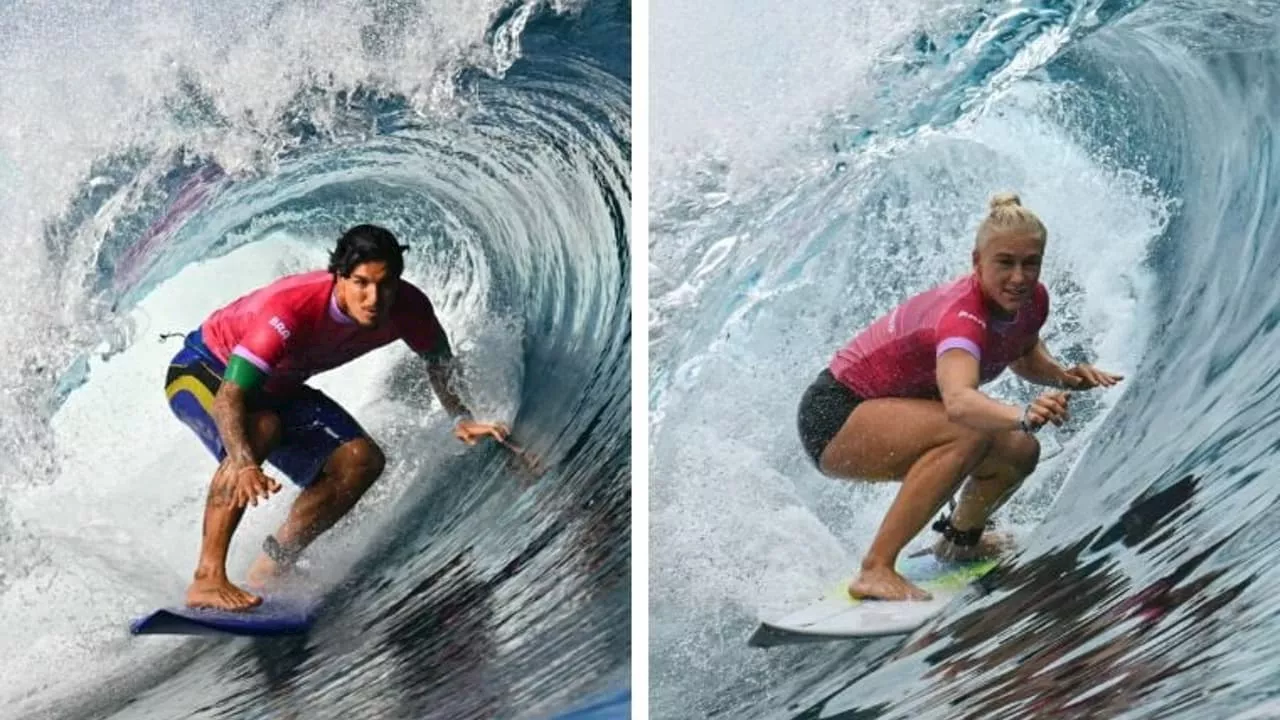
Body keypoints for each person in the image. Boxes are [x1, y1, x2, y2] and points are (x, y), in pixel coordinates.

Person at [164, 224, 511, 611]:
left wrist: (459, 418)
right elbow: (230, 399)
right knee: (261, 428)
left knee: (361, 461)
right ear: (339, 277)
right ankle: (207, 578)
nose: (373, 298)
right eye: (361, 283)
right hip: (204, 370)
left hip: (279, 388)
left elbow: (438, 361)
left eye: (385, 284)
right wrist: (244, 463)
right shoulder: (290, 310)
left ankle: (273, 565)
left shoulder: (409, 308)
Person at [796, 193, 1123, 602]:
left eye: (1030, 263)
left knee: (1019, 450)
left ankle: (959, 542)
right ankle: (875, 567)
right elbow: (958, 402)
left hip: (879, 413)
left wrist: (1065, 377)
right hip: (834, 416)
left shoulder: (1031, 301)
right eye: (1005, 263)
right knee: (967, 434)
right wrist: (1021, 412)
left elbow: (1021, 352)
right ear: (977, 262)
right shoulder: (961, 318)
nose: (1019, 277)